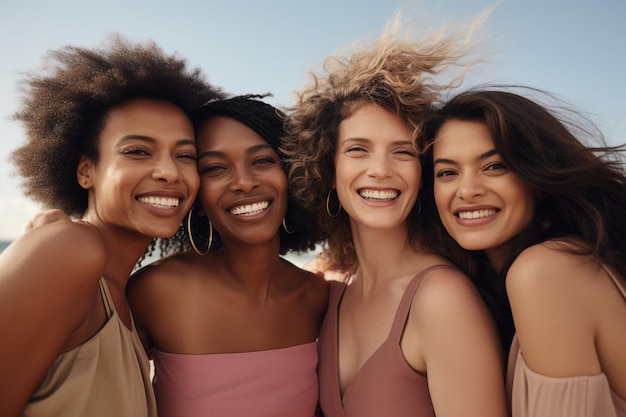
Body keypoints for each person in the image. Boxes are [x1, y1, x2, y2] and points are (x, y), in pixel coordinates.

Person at [280, 21, 507, 417]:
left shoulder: (441, 299)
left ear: (422, 173)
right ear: (328, 171)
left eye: (402, 152)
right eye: (358, 150)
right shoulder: (338, 294)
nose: (381, 170)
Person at [0, 35, 222, 417]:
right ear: (86, 170)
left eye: (185, 155)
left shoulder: (127, 298)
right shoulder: (69, 251)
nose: (170, 172)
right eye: (138, 151)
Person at [420, 88, 626, 417]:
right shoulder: (564, 261)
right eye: (447, 172)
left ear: (536, 179)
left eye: (495, 166)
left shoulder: (545, 271)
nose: (468, 190)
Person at [125, 95, 329, 417]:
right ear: (197, 193)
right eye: (216, 168)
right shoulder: (155, 291)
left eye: (262, 161)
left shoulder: (317, 297)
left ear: (292, 175)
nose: (245, 182)